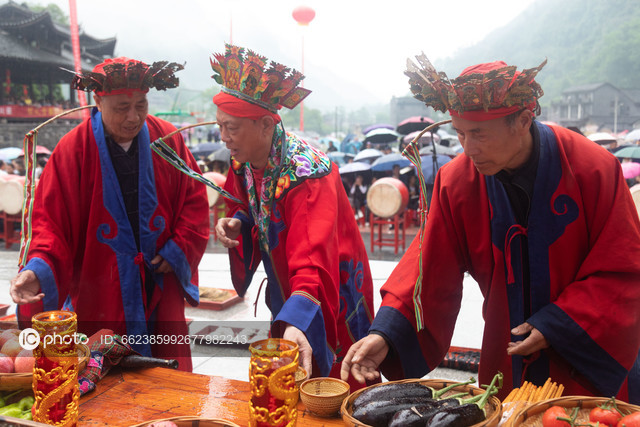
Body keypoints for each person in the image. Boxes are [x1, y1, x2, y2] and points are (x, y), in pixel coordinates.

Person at [341, 56, 640, 404]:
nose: (468, 148)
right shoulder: (457, 182)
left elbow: (623, 267)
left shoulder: (594, 169)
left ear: (524, 120)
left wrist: (558, 323)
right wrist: (388, 334)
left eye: (479, 134)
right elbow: (428, 267)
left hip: (582, 357)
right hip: (506, 353)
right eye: (460, 133)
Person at [9, 57, 210, 371]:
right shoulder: (71, 150)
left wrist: (179, 247)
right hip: (100, 285)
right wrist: (37, 269)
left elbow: (194, 200)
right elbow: (50, 224)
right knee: (104, 382)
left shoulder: (167, 138)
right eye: (121, 107)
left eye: (140, 105)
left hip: (159, 279)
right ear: (98, 101)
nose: (133, 117)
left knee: (168, 386)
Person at [212, 44, 375, 389]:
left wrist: (300, 317)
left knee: (338, 379)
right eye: (220, 127)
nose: (224, 138)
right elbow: (247, 204)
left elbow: (315, 259)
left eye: (232, 128)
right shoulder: (243, 161)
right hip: (288, 283)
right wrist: (239, 221)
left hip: (331, 284)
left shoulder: (307, 175)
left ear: (267, 124)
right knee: (290, 370)